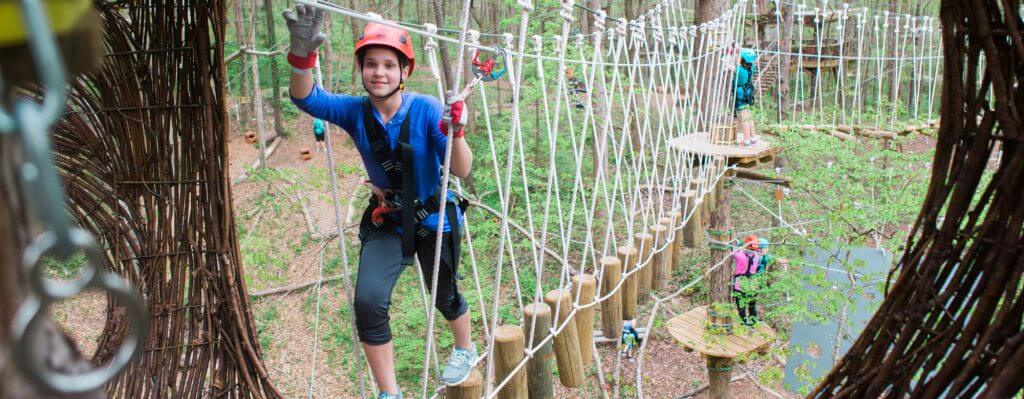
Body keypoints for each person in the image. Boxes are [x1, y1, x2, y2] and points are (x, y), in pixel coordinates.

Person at [284, 6, 476, 398]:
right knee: (368, 301)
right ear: (362, 70)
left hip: (434, 214)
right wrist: (303, 56)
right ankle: (390, 392)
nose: (379, 72)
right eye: (371, 64)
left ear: (405, 72)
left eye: (389, 64)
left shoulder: (424, 109)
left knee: (444, 293)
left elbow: (460, 168)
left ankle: (465, 348)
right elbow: (307, 99)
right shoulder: (355, 112)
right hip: (388, 218)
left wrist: (455, 131)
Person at [732, 235, 762, 326]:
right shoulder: (757, 256)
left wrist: (739, 245)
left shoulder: (739, 255)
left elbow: (732, 251)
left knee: (741, 305)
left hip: (740, 283)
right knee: (752, 305)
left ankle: (743, 322)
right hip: (752, 284)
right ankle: (753, 322)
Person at [733, 48, 758, 146]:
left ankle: (747, 140)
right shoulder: (751, 68)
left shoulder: (739, 69)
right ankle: (752, 138)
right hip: (747, 94)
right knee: (749, 118)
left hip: (741, 95)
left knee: (744, 118)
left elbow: (730, 67)